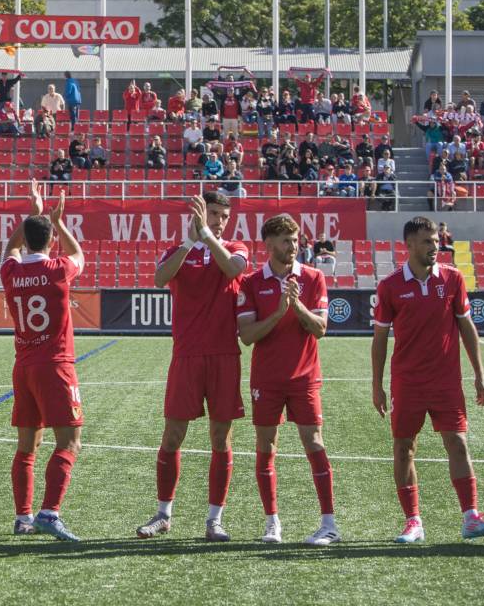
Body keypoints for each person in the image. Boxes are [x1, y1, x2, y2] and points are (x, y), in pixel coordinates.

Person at [138, 192, 249, 542]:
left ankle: (214, 519)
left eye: (223, 216)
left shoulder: (236, 247)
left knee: (220, 438)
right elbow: (159, 279)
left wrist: (209, 236)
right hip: (186, 356)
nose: (218, 220)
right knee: (172, 436)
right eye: (212, 213)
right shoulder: (177, 252)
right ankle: (163, 514)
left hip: (223, 355)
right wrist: (191, 239)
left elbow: (233, 268)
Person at [372, 216, 484, 543]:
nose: (435, 247)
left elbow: (467, 327)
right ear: (408, 245)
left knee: (458, 442)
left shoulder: (452, 279)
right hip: (407, 383)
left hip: (446, 382)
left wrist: (479, 375)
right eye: (427, 241)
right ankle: (413, 522)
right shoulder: (390, 286)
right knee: (404, 448)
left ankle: (471, 517)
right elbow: (379, 338)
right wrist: (376, 385)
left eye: (437, 241)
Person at [236, 215, 338, 545]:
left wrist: (296, 306)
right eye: (285, 240)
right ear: (268, 245)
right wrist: (279, 312)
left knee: (315, 443)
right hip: (266, 379)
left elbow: (321, 329)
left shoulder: (313, 277)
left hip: (305, 378)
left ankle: (328, 524)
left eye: (295, 240)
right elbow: (247, 336)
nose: (292, 246)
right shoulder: (251, 283)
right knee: (266, 448)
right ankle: (272, 522)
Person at [0, 181, 85, 541]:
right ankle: (49, 512)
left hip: (24, 366)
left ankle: (23, 516)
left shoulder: (11, 272)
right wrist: (58, 220)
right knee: (69, 441)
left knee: (26, 446)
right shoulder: (58, 269)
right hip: (56, 365)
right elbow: (80, 254)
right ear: (51, 241)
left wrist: (35, 213)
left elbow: (10, 247)